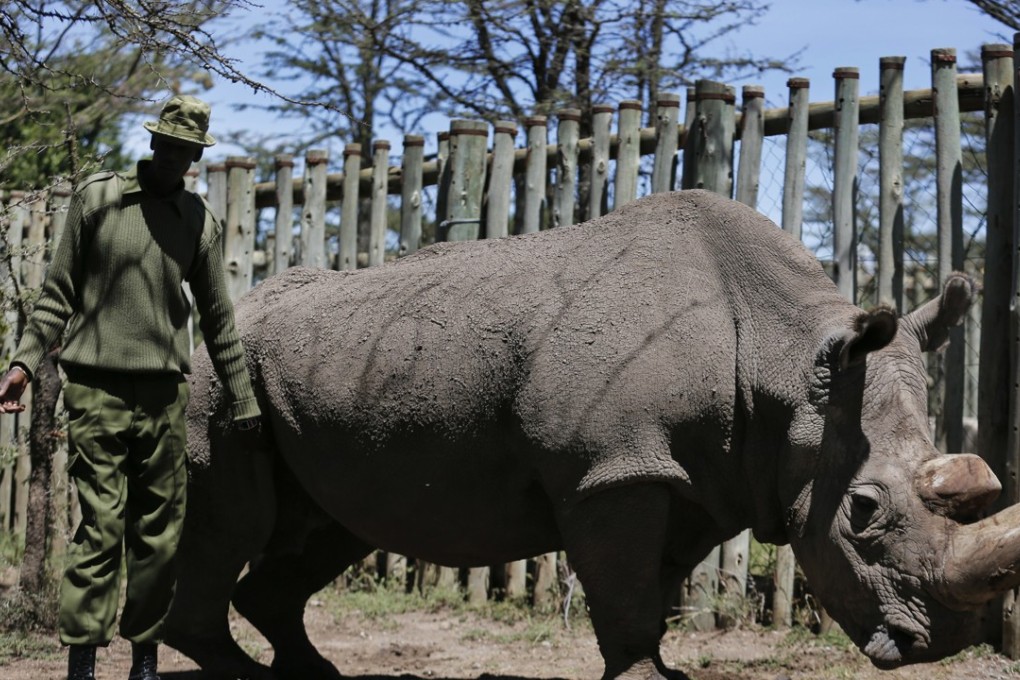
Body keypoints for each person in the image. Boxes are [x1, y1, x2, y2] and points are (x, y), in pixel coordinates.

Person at [0, 95, 261, 680]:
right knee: (101, 524)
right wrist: (22, 362)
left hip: (165, 395)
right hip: (96, 389)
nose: (173, 156)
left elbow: (219, 319)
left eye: (185, 150)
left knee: (159, 532)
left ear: (196, 156)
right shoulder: (99, 200)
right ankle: (82, 662)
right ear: (152, 142)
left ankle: (144, 657)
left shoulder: (200, 222)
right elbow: (57, 294)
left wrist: (242, 398)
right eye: (166, 144)